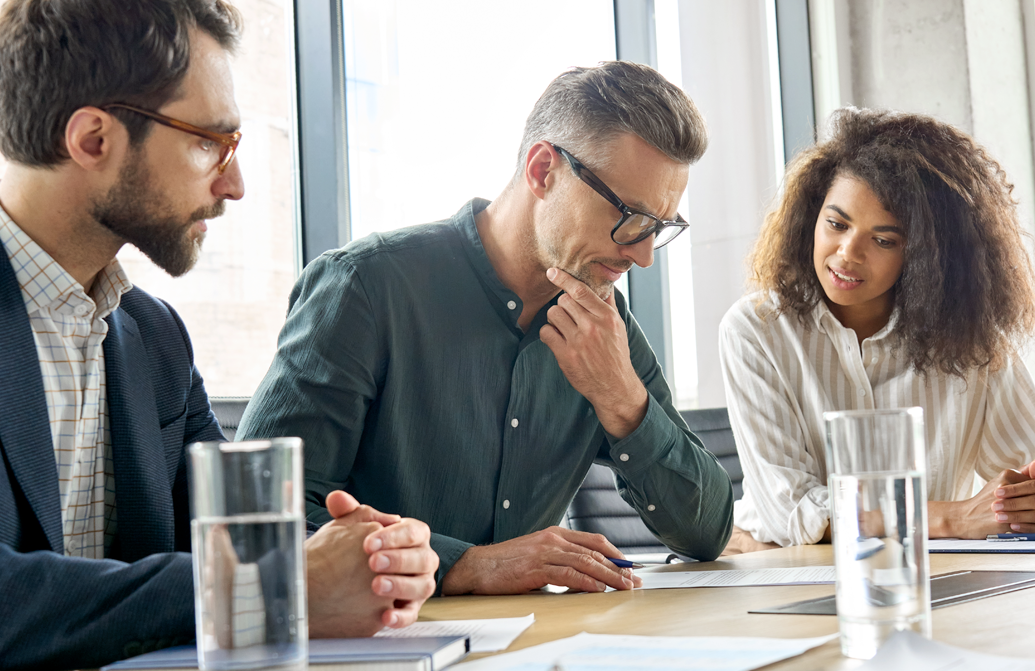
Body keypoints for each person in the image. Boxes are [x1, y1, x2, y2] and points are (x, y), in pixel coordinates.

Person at [0, 0, 436, 668]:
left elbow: (232, 539)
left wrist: (373, 559)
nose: (234, 184)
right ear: (91, 139)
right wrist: (276, 585)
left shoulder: (155, 339)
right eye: (211, 142)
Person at [237, 61, 734, 595]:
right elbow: (254, 514)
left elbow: (706, 534)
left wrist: (622, 398)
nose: (642, 257)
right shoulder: (366, 287)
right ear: (544, 170)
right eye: (630, 217)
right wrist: (465, 564)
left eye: (658, 229)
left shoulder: (604, 324)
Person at [718, 108, 1035, 552]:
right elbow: (793, 513)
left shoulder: (970, 340)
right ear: (810, 218)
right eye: (836, 224)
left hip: (932, 576)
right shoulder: (756, 330)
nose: (847, 253)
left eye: (884, 240)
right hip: (778, 567)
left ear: (924, 257)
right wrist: (952, 518)